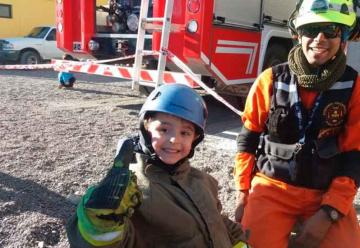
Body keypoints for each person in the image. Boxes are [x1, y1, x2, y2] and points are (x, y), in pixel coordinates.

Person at [233, 0, 360, 247]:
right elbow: (247, 140)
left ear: (344, 36)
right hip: (272, 187)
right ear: (297, 33)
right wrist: (242, 193)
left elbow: (354, 156)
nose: (319, 39)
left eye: (331, 30)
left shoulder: (354, 87)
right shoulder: (269, 80)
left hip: (326, 193)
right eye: (311, 30)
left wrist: (330, 211)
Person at [66, 84, 250, 247]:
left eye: (185, 133)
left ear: (195, 139)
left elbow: (217, 220)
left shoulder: (203, 180)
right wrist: (99, 223)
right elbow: (112, 242)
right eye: (163, 129)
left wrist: (239, 242)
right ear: (146, 128)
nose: (174, 139)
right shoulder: (132, 190)